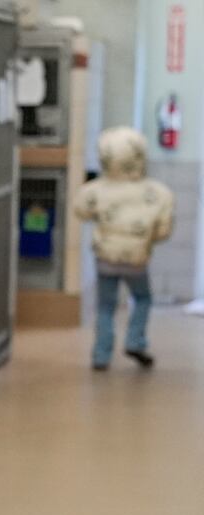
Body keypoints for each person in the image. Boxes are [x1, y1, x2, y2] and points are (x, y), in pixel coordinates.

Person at [72, 126, 175, 371]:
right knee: (142, 298)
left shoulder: (95, 190)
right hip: (137, 260)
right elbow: (163, 231)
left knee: (105, 306)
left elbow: (81, 211)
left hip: (105, 258)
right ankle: (135, 340)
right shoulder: (158, 193)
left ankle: (101, 356)